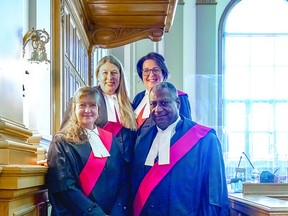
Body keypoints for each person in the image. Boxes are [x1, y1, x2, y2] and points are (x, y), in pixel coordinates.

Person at [131, 82, 229, 216]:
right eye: (153, 104)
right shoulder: (142, 140)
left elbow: (214, 196)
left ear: (177, 103)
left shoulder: (205, 140)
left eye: (164, 103)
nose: (158, 110)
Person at [47, 86, 129, 215]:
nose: (87, 110)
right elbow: (65, 187)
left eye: (92, 105)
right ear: (74, 109)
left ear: (98, 109)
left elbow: (122, 180)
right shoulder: (61, 141)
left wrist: (117, 211)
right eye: (82, 105)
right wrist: (96, 214)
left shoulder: (111, 140)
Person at [61, 55, 137, 166]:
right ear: (98, 76)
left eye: (114, 73)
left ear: (120, 76)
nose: (109, 77)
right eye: (105, 73)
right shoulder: (84, 99)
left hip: (123, 168)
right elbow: (66, 131)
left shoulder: (128, 106)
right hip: (94, 164)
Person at [132, 52, 191, 133]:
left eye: (155, 70)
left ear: (163, 72)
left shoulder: (179, 97)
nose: (151, 75)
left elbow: (185, 130)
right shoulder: (139, 97)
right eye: (146, 71)